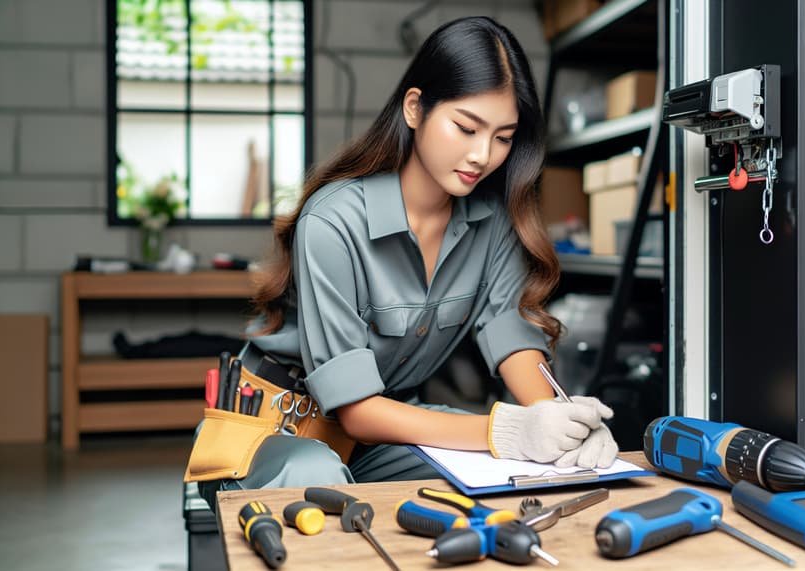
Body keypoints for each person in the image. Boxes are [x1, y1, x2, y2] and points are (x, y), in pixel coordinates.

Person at [198, 16, 619, 504]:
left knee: (513, 468)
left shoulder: (495, 223)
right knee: (315, 478)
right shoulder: (333, 221)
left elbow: (511, 338)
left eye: (503, 137)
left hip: (382, 430)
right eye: (466, 127)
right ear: (415, 108)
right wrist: (509, 430)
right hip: (277, 432)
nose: (482, 155)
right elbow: (357, 411)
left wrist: (559, 426)